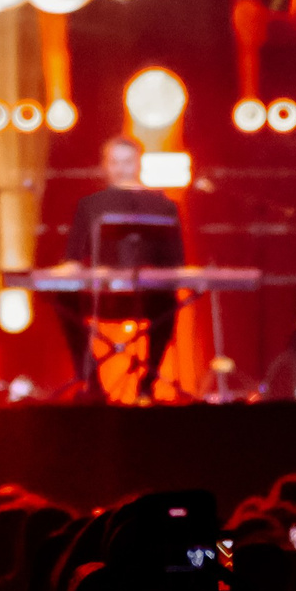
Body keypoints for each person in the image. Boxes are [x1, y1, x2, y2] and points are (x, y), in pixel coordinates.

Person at [53, 133, 184, 398]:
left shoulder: (165, 206)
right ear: (105, 166)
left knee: (168, 303)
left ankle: (148, 383)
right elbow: (73, 258)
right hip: (104, 296)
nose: (121, 168)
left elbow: (176, 263)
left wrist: (153, 273)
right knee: (63, 299)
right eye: (114, 162)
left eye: (127, 162)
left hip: (149, 297)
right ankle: (91, 380)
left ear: (139, 164)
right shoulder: (89, 205)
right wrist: (76, 271)